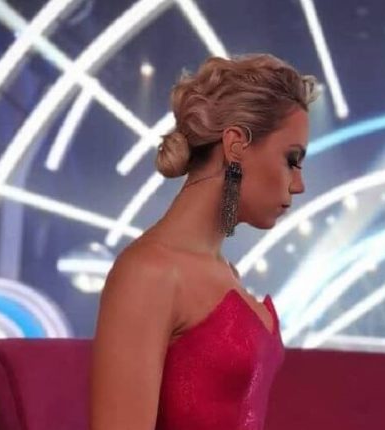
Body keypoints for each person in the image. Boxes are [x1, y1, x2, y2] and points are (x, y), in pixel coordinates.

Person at [89, 54, 318, 430]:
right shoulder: (150, 273)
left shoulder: (225, 271)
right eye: (291, 160)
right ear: (236, 145)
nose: (299, 184)